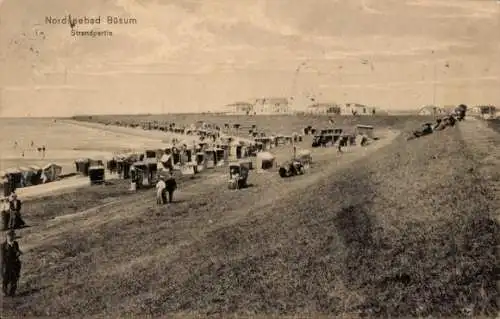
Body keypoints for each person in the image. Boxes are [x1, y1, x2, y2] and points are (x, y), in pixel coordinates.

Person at [1, 230, 22, 297]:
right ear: (6, 237)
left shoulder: (15, 243)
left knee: (14, 278)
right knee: (5, 279)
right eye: (9, 236)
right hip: (6, 265)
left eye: (13, 235)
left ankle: (12, 293)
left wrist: (18, 253)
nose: (11, 237)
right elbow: (2, 257)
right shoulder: (3, 246)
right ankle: (4, 292)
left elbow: (17, 252)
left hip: (15, 264)